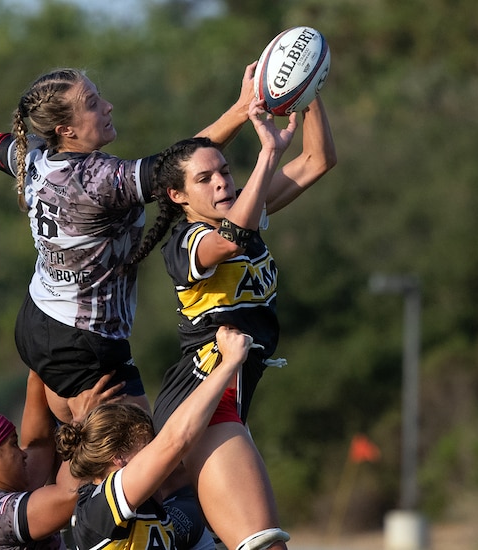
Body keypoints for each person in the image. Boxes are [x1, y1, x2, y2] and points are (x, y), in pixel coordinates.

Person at [0, 44, 256, 423]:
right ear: (66, 129)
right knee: (141, 467)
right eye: (92, 103)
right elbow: (183, 166)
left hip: (38, 320)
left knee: (83, 452)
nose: (107, 106)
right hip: (84, 343)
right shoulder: (96, 180)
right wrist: (242, 110)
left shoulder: (37, 158)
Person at [128, 85, 335, 550]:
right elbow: (231, 242)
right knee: (266, 545)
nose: (221, 181)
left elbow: (318, 160)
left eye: (224, 170)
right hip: (204, 401)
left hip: (227, 401)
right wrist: (268, 153)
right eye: (205, 179)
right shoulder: (186, 243)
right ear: (177, 195)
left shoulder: (245, 208)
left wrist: (309, 87)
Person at [56, 325, 254, 550]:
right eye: (148, 447)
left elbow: (197, 502)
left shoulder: (159, 513)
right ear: (119, 458)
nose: (158, 458)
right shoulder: (97, 509)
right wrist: (229, 363)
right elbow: (175, 442)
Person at [0, 370, 122, 550]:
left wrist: (38, 364)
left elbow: (39, 445)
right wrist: (81, 421)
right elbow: (68, 496)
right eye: (13, 444)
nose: (23, 453)